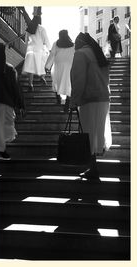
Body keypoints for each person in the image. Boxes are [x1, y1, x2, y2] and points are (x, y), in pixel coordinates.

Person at [70, 32, 112, 179]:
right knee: (96, 134)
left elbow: (78, 79)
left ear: (80, 42)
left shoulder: (81, 54)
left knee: (88, 135)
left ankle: (93, 169)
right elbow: (106, 79)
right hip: (103, 99)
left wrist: (74, 100)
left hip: (89, 99)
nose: (75, 47)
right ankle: (93, 168)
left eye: (75, 44)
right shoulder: (99, 54)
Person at [0, 42, 25, 160]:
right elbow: (15, 88)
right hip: (5, 103)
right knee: (3, 127)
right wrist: (21, 105)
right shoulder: (9, 69)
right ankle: (1, 150)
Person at [45, 30, 75, 111]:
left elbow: (52, 55)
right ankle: (67, 103)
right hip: (69, 66)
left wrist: (47, 66)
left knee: (56, 81)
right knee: (69, 83)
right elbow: (75, 56)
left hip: (58, 65)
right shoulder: (73, 45)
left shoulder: (56, 43)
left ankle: (58, 98)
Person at [22, 15, 51, 90]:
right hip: (39, 50)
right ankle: (42, 78)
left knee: (31, 68)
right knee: (42, 65)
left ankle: (30, 84)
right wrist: (49, 49)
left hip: (30, 51)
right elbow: (46, 40)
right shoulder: (41, 29)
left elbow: (26, 41)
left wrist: (26, 51)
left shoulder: (29, 29)